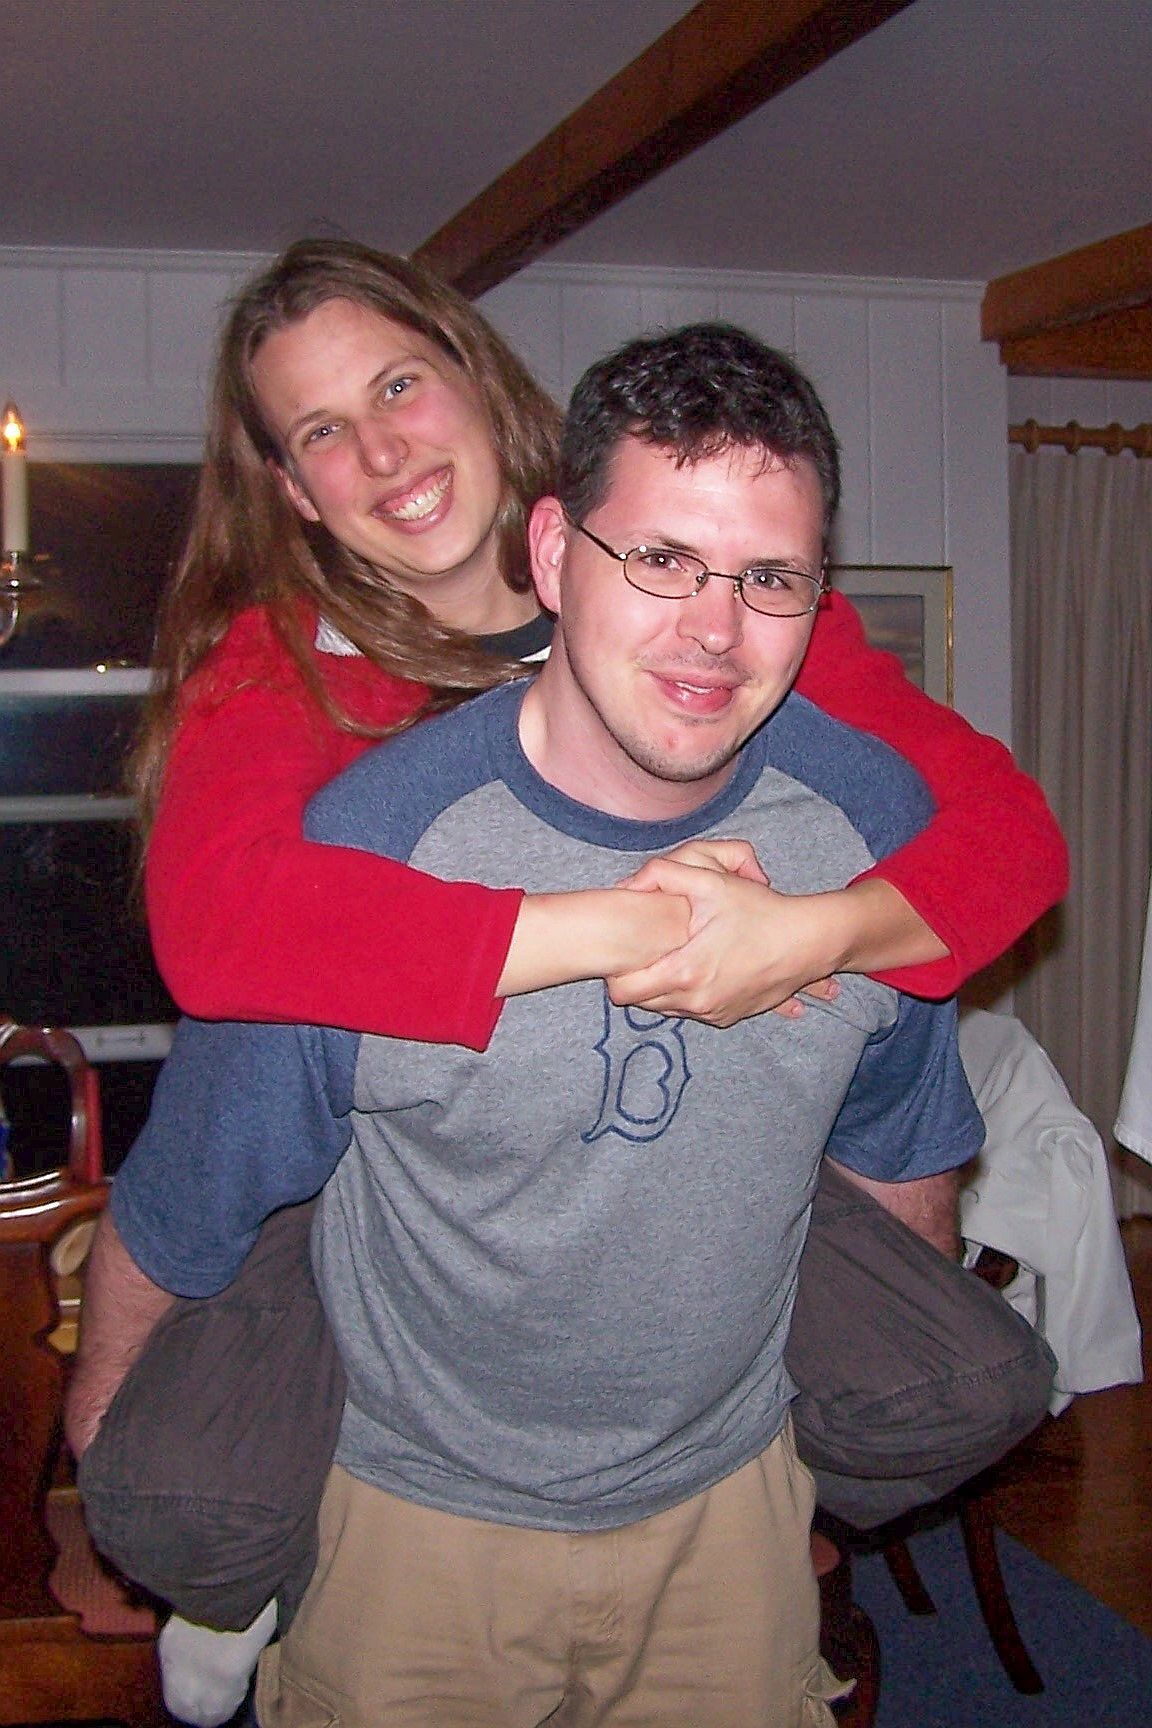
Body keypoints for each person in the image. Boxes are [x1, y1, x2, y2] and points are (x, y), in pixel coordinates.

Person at [66, 243, 1055, 1721]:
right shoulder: (291, 671)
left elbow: (1005, 839)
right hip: (388, 1193)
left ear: (480, 382)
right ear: (289, 488)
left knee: (956, 1360)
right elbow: (222, 941)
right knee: (243, 1347)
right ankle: (255, 1550)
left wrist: (811, 936)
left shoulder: (715, 611)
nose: (383, 450)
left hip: (681, 1292)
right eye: (323, 428)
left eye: (400, 385)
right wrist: (626, 926)